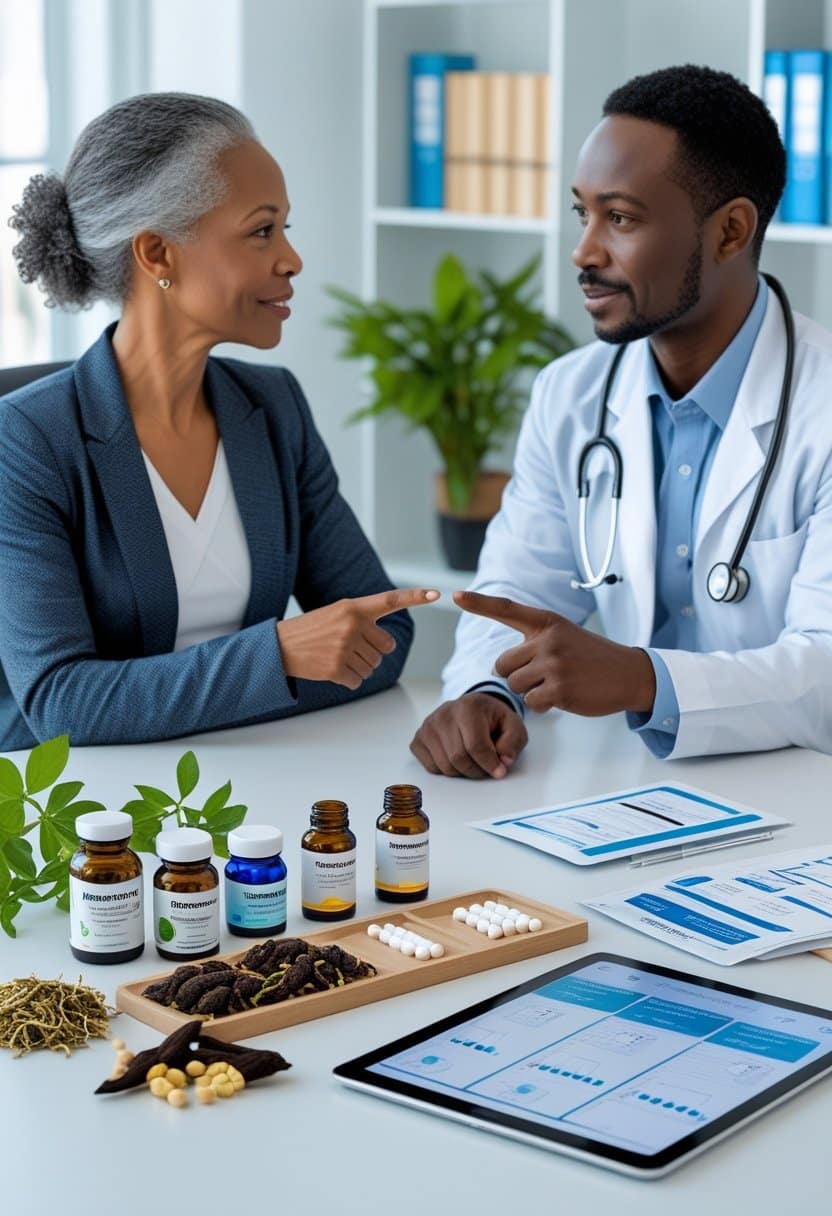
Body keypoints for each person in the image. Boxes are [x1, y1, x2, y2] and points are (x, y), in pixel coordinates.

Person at [411, 64, 832, 778]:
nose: (584, 252)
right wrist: (487, 691)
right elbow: (515, 593)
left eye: (622, 218)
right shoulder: (569, 395)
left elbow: (824, 670)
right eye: (583, 214)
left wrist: (642, 680)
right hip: (632, 786)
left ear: (731, 231)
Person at [0, 92, 437, 750]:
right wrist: (278, 659)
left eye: (285, 228)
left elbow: (385, 633)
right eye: (262, 230)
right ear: (158, 255)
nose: (291, 259)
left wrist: (182, 696)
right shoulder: (26, 441)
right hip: (80, 817)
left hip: (245, 784)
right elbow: (62, 707)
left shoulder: (274, 407)